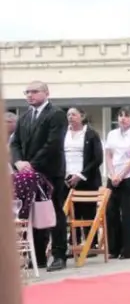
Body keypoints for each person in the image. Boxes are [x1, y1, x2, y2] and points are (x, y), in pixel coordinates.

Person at [10, 82, 68, 271]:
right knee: (31, 211)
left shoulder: (56, 114)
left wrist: (31, 164)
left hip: (50, 171)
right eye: (27, 92)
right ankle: (38, 256)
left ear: (46, 93)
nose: (30, 95)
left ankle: (59, 255)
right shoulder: (25, 116)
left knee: (54, 211)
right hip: (27, 174)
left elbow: (53, 144)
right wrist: (18, 162)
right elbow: (15, 143)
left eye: (34, 91)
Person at [104, 106, 130, 259]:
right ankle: (113, 248)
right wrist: (112, 173)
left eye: (127, 116)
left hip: (129, 175)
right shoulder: (112, 134)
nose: (123, 118)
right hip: (113, 175)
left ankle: (128, 250)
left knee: (128, 213)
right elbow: (108, 155)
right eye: (120, 115)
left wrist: (121, 175)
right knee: (111, 211)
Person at [63, 108, 104, 224]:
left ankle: (90, 236)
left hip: (86, 179)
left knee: (87, 215)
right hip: (66, 179)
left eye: (74, 114)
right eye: (68, 115)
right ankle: (73, 236)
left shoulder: (91, 134)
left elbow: (98, 158)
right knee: (69, 215)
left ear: (82, 116)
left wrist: (81, 175)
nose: (70, 117)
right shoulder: (63, 133)